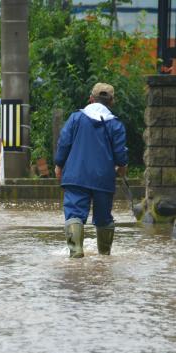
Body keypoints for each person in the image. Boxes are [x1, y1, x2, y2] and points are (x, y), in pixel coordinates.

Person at [54, 82, 128, 258]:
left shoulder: (76, 118)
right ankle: (104, 256)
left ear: (91, 98)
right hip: (103, 179)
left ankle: (76, 251)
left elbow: (63, 143)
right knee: (103, 217)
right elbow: (120, 154)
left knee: (74, 212)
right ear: (111, 102)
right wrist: (122, 167)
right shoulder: (115, 124)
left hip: (76, 175)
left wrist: (59, 164)